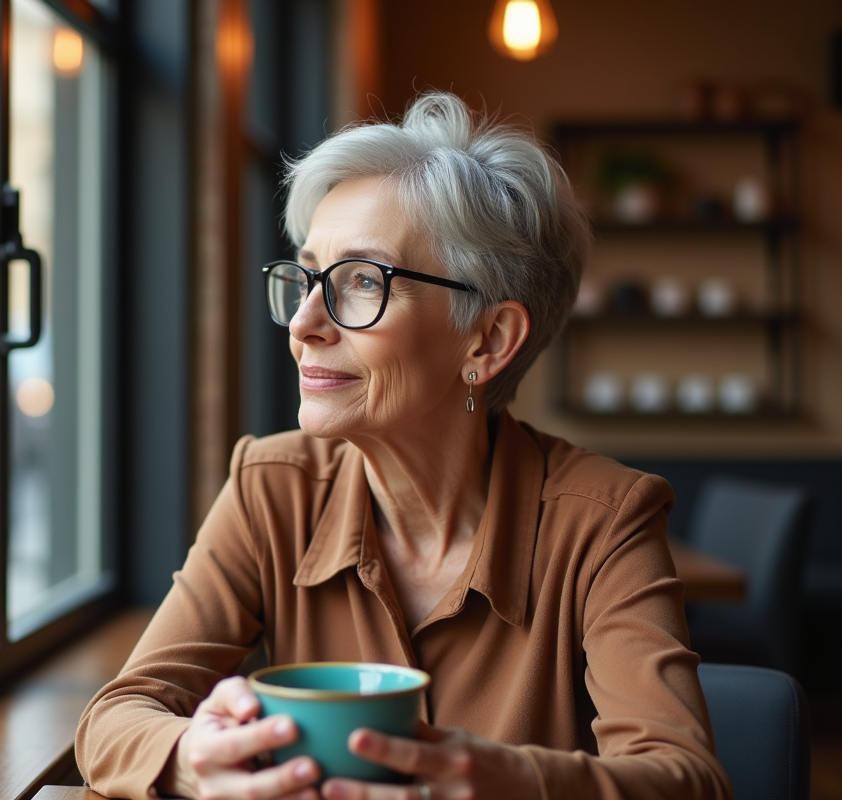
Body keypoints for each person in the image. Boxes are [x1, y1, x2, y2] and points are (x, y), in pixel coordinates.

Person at [76, 92, 732, 800]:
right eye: (305, 275)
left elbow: (688, 780)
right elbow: (115, 717)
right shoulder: (272, 488)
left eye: (362, 281)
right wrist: (190, 757)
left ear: (487, 340)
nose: (303, 323)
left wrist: (504, 780)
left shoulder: (604, 521)